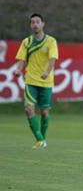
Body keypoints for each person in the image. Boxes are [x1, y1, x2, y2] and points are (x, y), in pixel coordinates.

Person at [14, 13, 58, 149]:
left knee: (44, 112)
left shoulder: (51, 41)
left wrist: (47, 71)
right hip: (31, 80)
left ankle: (42, 139)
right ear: (30, 25)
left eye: (38, 22)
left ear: (43, 24)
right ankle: (39, 139)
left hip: (46, 82)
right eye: (33, 22)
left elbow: (52, 59)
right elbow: (22, 59)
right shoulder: (26, 42)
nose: (35, 24)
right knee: (28, 109)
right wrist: (18, 69)